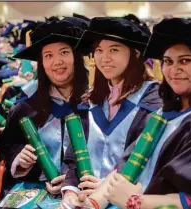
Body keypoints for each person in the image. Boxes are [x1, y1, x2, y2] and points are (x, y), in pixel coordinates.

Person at [76, 18, 191, 209]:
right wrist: (94, 202)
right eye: (168, 61)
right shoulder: (164, 113)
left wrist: (135, 202)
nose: (174, 70)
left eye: (185, 60)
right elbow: (126, 167)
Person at [60, 16, 163, 203]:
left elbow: (148, 162)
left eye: (114, 50)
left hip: (128, 201)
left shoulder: (154, 102)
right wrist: (71, 191)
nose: (104, 58)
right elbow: (73, 157)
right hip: (86, 199)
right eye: (98, 50)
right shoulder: (89, 102)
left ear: (136, 53)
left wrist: (104, 188)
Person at [0, 17, 89, 202]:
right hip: (37, 189)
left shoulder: (95, 103)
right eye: (48, 56)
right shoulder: (26, 105)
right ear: (42, 64)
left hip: (85, 192)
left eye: (64, 52)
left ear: (77, 56)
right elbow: (9, 146)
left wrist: (71, 183)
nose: (56, 61)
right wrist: (21, 159)